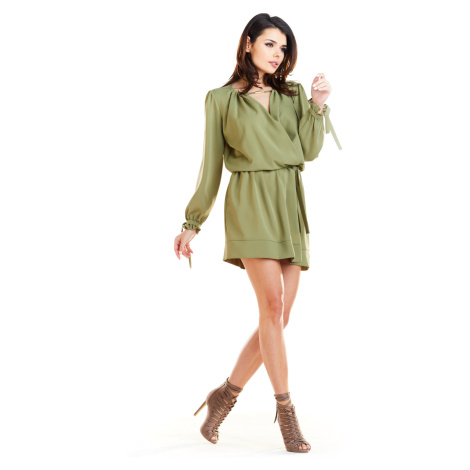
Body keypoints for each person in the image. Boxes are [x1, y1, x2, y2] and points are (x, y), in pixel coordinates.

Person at [174, 13, 342, 453]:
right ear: (248, 43)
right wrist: (193, 222)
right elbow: (211, 165)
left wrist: (318, 105)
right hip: (249, 202)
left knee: (278, 317)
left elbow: (309, 150)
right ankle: (286, 413)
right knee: (272, 305)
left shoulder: (293, 94)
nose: (277, 54)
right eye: (269, 44)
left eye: (283, 48)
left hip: (289, 201)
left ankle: (224, 395)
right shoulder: (221, 99)